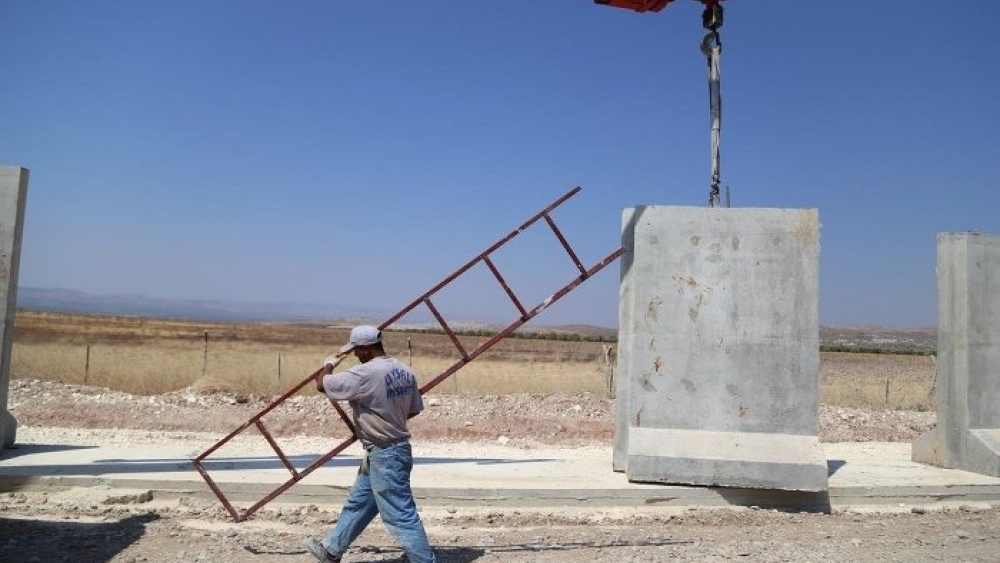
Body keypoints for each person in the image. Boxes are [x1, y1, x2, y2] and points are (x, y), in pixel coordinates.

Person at [304, 325, 436, 563]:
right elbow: (413, 410)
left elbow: (322, 384)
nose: (355, 355)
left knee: (400, 515)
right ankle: (331, 549)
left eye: (356, 350)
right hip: (392, 450)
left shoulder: (364, 374)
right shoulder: (404, 370)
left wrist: (330, 364)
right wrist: (388, 416)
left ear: (365, 349)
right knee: (361, 501)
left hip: (385, 453)